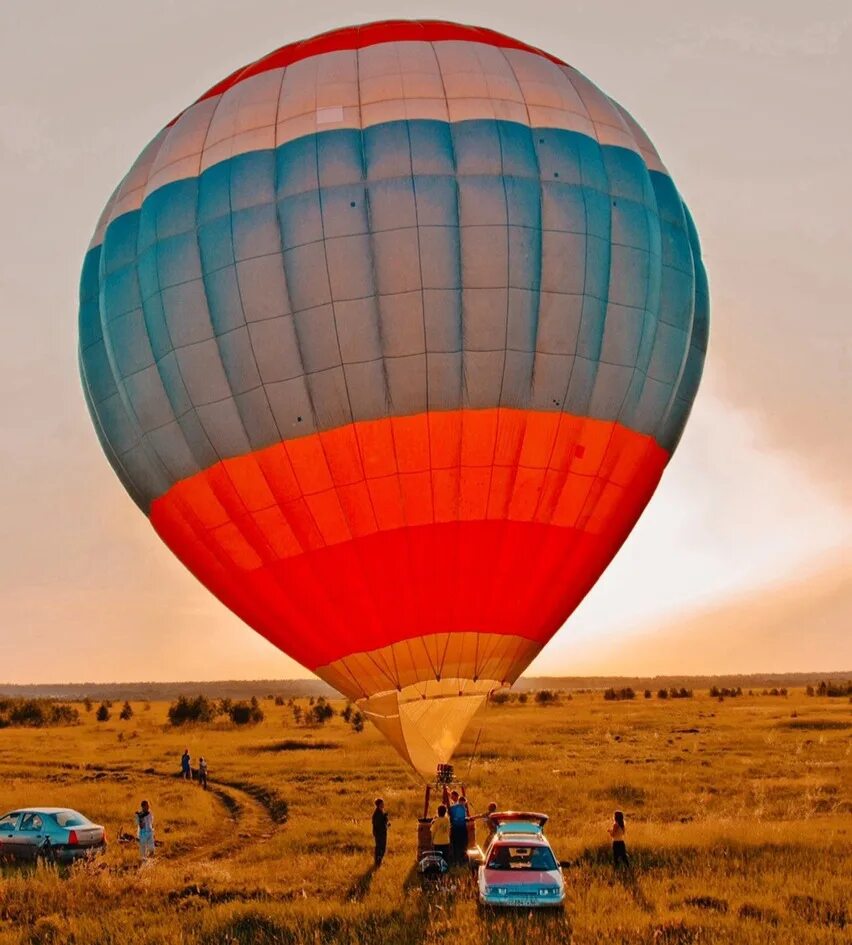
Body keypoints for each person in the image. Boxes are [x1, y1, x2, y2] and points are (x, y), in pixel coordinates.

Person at [448, 791, 470, 865]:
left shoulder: (453, 807)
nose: (464, 805)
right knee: (462, 845)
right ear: (461, 802)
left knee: (456, 845)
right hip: (460, 830)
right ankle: (461, 860)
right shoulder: (461, 808)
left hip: (456, 829)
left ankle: (456, 860)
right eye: (464, 803)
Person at [371, 798, 389, 867]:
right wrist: (384, 818)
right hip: (379, 834)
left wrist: (385, 821)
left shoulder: (381, 812)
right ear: (378, 805)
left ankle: (379, 861)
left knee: (382, 847)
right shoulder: (377, 813)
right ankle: (378, 862)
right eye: (381, 804)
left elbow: (383, 823)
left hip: (382, 833)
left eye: (383, 804)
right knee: (380, 847)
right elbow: (377, 824)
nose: (383, 805)